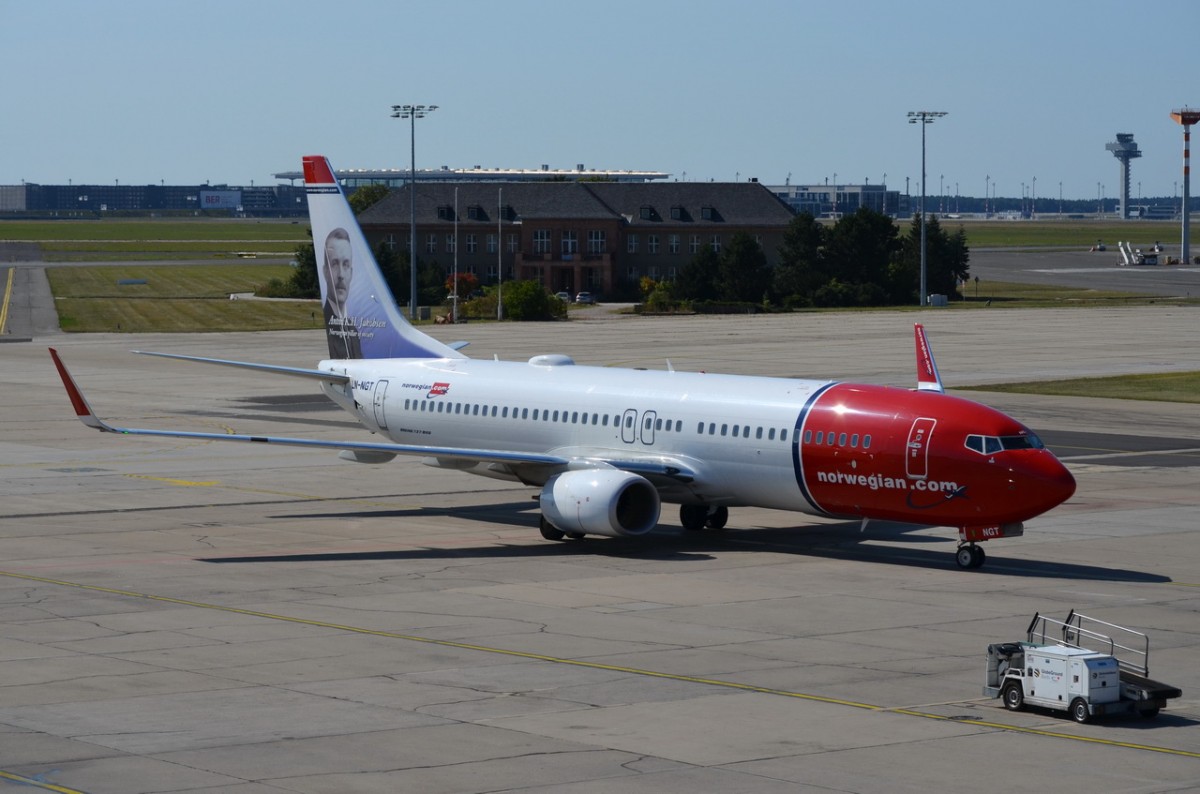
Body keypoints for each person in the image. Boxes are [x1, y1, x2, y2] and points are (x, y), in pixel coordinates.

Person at [322, 227, 363, 358]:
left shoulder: (353, 331)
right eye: (334, 264)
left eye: (345, 265)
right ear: (325, 272)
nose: (341, 275)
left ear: (351, 273)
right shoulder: (328, 328)